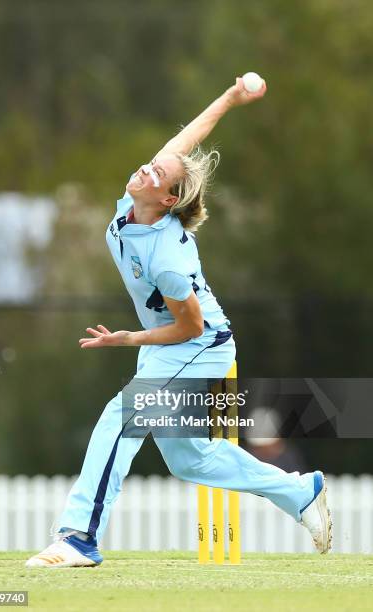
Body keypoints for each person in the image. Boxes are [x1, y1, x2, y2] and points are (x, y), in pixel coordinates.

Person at [26, 76, 332, 568]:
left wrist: (130, 338)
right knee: (190, 459)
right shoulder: (138, 201)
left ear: (168, 200)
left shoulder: (166, 255)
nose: (146, 169)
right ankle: (299, 493)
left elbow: (189, 327)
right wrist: (231, 98)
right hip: (173, 345)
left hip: (199, 344)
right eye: (150, 165)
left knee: (120, 418)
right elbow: (187, 138)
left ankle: (79, 536)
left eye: (155, 174)